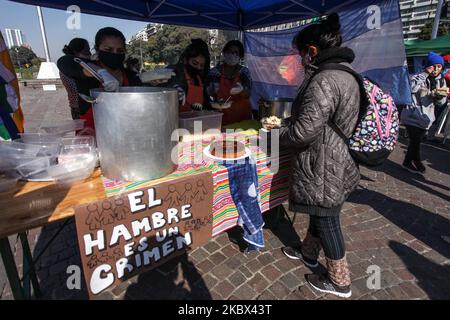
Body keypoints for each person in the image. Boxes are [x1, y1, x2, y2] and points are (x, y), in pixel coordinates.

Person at [278, 13, 361, 298]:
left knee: (327, 220)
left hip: (324, 162)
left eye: (300, 54)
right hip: (333, 156)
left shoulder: (324, 80)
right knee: (319, 210)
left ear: (312, 51)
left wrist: (276, 133)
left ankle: (340, 281)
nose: (299, 61)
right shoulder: (346, 73)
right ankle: (308, 252)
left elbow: (303, 131)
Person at [57, 27, 141, 133]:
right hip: (90, 140)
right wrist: (100, 72)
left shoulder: (130, 76)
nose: (114, 54)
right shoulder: (89, 75)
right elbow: (64, 61)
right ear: (97, 49)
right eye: (108, 50)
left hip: (123, 135)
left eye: (120, 50)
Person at [401, 52, 448, 173]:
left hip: (427, 117)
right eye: (433, 66)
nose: (436, 69)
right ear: (428, 65)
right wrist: (425, 74)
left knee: (416, 141)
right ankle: (413, 162)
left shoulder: (440, 81)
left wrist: (439, 96)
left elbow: (440, 103)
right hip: (412, 113)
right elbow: (411, 88)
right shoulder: (417, 76)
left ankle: (409, 161)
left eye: (439, 66)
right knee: (415, 140)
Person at [207, 40, 252, 125]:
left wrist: (242, 90)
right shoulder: (214, 72)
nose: (232, 55)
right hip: (222, 117)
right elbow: (208, 94)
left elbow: (248, 94)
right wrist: (216, 103)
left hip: (243, 118)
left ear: (240, 56)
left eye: (235, 53)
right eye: (229, 52)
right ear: (224, 53)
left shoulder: (244, 72)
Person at [166, 39, 211, 112]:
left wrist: (214, 106)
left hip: (197, 121)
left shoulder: (200, 77)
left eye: (202, 65)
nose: (198, 68)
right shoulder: (175, 71)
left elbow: (205, 102)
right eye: (195, 63)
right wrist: (173, 90)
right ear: (185, 60)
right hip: (177, 120)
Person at [59, 38, 91, 119]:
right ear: (76, 52)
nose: (90, 54)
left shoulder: (70, 65)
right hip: (81, 107)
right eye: (87, 51)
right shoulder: (72, 66)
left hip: (75, 106)